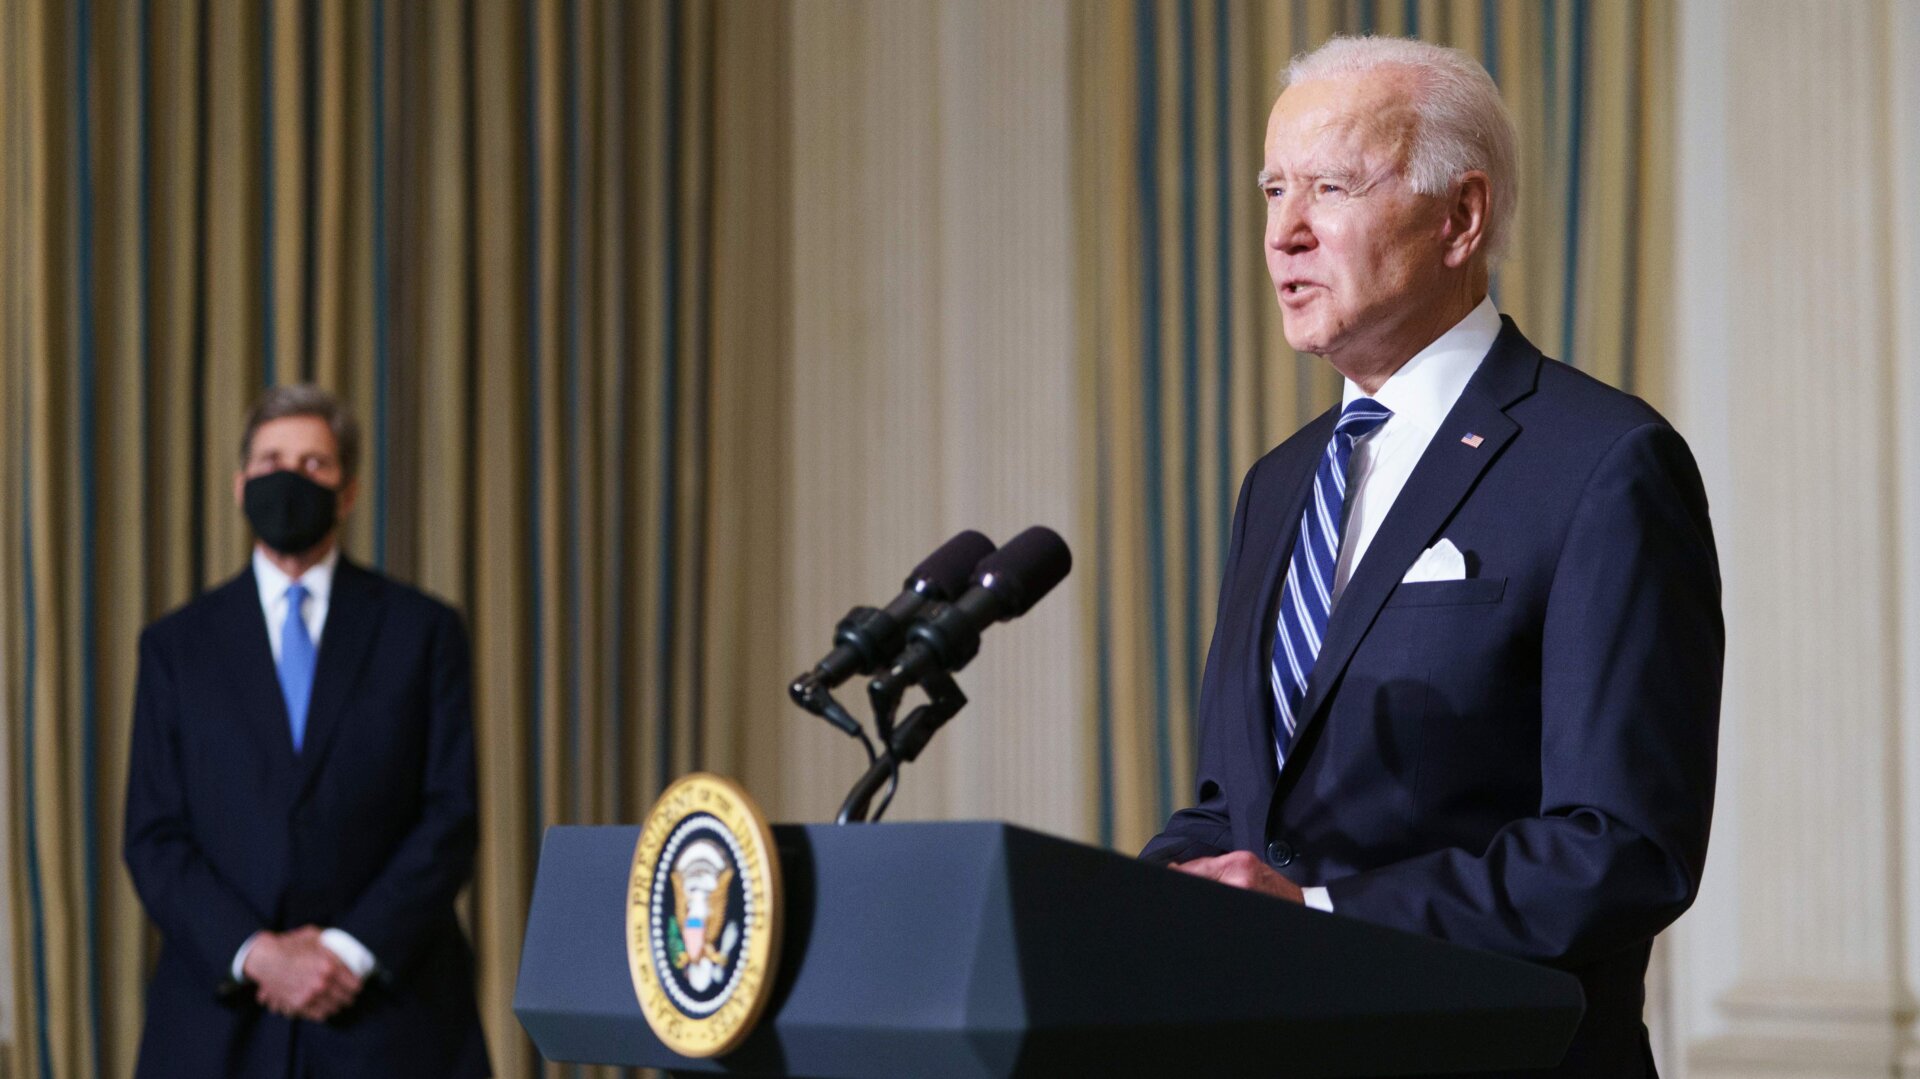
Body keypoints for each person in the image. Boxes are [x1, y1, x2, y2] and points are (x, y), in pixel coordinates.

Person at [1142, 36, 1721, 1077]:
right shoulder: (1276, 483)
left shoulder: (1603, 463)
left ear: (1461, 217)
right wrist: (1135, 904)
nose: (1284, 232)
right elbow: (1238, 806)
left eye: (1330, 187)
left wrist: (1320, 915)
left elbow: (1620, 846)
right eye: (1273, 189)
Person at [124, 385, 489, 1077]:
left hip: (390, 1020)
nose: (290, 478)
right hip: (219, 1024)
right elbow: (154, 834)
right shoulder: (176, 647)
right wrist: (259, 954)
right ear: (240, 484)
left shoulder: (422, 632)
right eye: (272, 461)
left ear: (347, 492)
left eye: (314, 463)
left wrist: (345, 952)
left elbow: (450, 817)